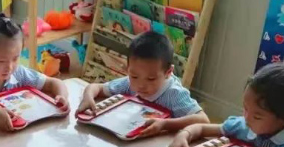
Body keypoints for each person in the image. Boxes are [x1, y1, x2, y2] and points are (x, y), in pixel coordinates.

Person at [77, 31, 208, 136]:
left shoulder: (174, 94)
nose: (141, 85)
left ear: (168, 72)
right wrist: (88, 97)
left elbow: (203, 120)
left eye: (151, 79)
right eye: (134, 76)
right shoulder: (129, 83)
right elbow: (96, 88)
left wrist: (165, 124)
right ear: (127, 68)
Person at [0, 13, 70, 130]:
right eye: (1, 61)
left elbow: (53, 83)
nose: (9, 67)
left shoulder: (19, 74)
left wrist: (62, 96)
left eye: (15, 58)